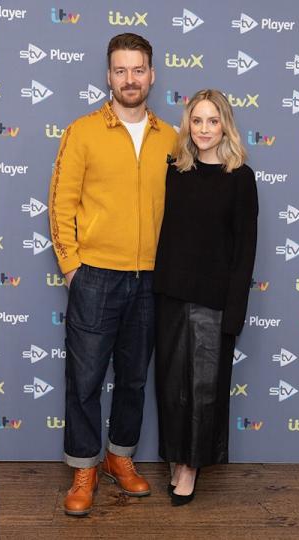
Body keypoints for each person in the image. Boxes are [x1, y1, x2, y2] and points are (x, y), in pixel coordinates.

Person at [47, 33, 178, 517]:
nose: (129, 79)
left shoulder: (171, 137)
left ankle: (118, 459)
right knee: (83, 379)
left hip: (151, 280)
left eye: (138, 69)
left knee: (134, 380)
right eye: (120, 70)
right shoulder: (82, 131)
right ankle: (84, 468)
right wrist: (72, 268)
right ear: (108, 75)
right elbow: (60, 203)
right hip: (96, 276)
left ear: (151, 75)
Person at [153, 89, 259, 506]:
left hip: (214, 303)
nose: (203, 129)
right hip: (170, 298)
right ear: (188, 124)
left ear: (225, 125)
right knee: (172, 387)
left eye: (212, 121)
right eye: (196, 120)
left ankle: (190, 468)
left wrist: (234, 315)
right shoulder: (175, 170)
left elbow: (245, 250)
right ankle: (176, 457)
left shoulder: (241, 179)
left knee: (203, 391)